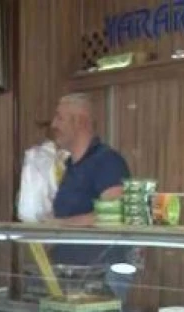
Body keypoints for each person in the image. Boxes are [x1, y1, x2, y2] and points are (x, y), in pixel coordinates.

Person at [47, 93, 137, 295]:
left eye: (59, 118)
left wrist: (59, 225)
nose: (54, 124)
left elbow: (116, 215)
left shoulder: (107, 162)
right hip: (71, 275)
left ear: (79, 121)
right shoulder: (70, 165)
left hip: (99, 277)